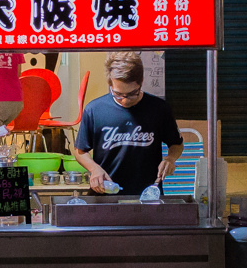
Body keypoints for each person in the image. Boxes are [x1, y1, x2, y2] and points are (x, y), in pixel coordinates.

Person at [73, 52, 183, 196]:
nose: (125, 100)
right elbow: (80, 151)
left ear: (141, 81)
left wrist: (170, 159)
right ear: (110, 83)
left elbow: (176, 144)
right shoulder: (94, 110)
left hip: (147, 195)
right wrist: (94, 169)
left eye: (132, 93)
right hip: (105, 194)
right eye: (118, 94)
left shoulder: (159, 109)